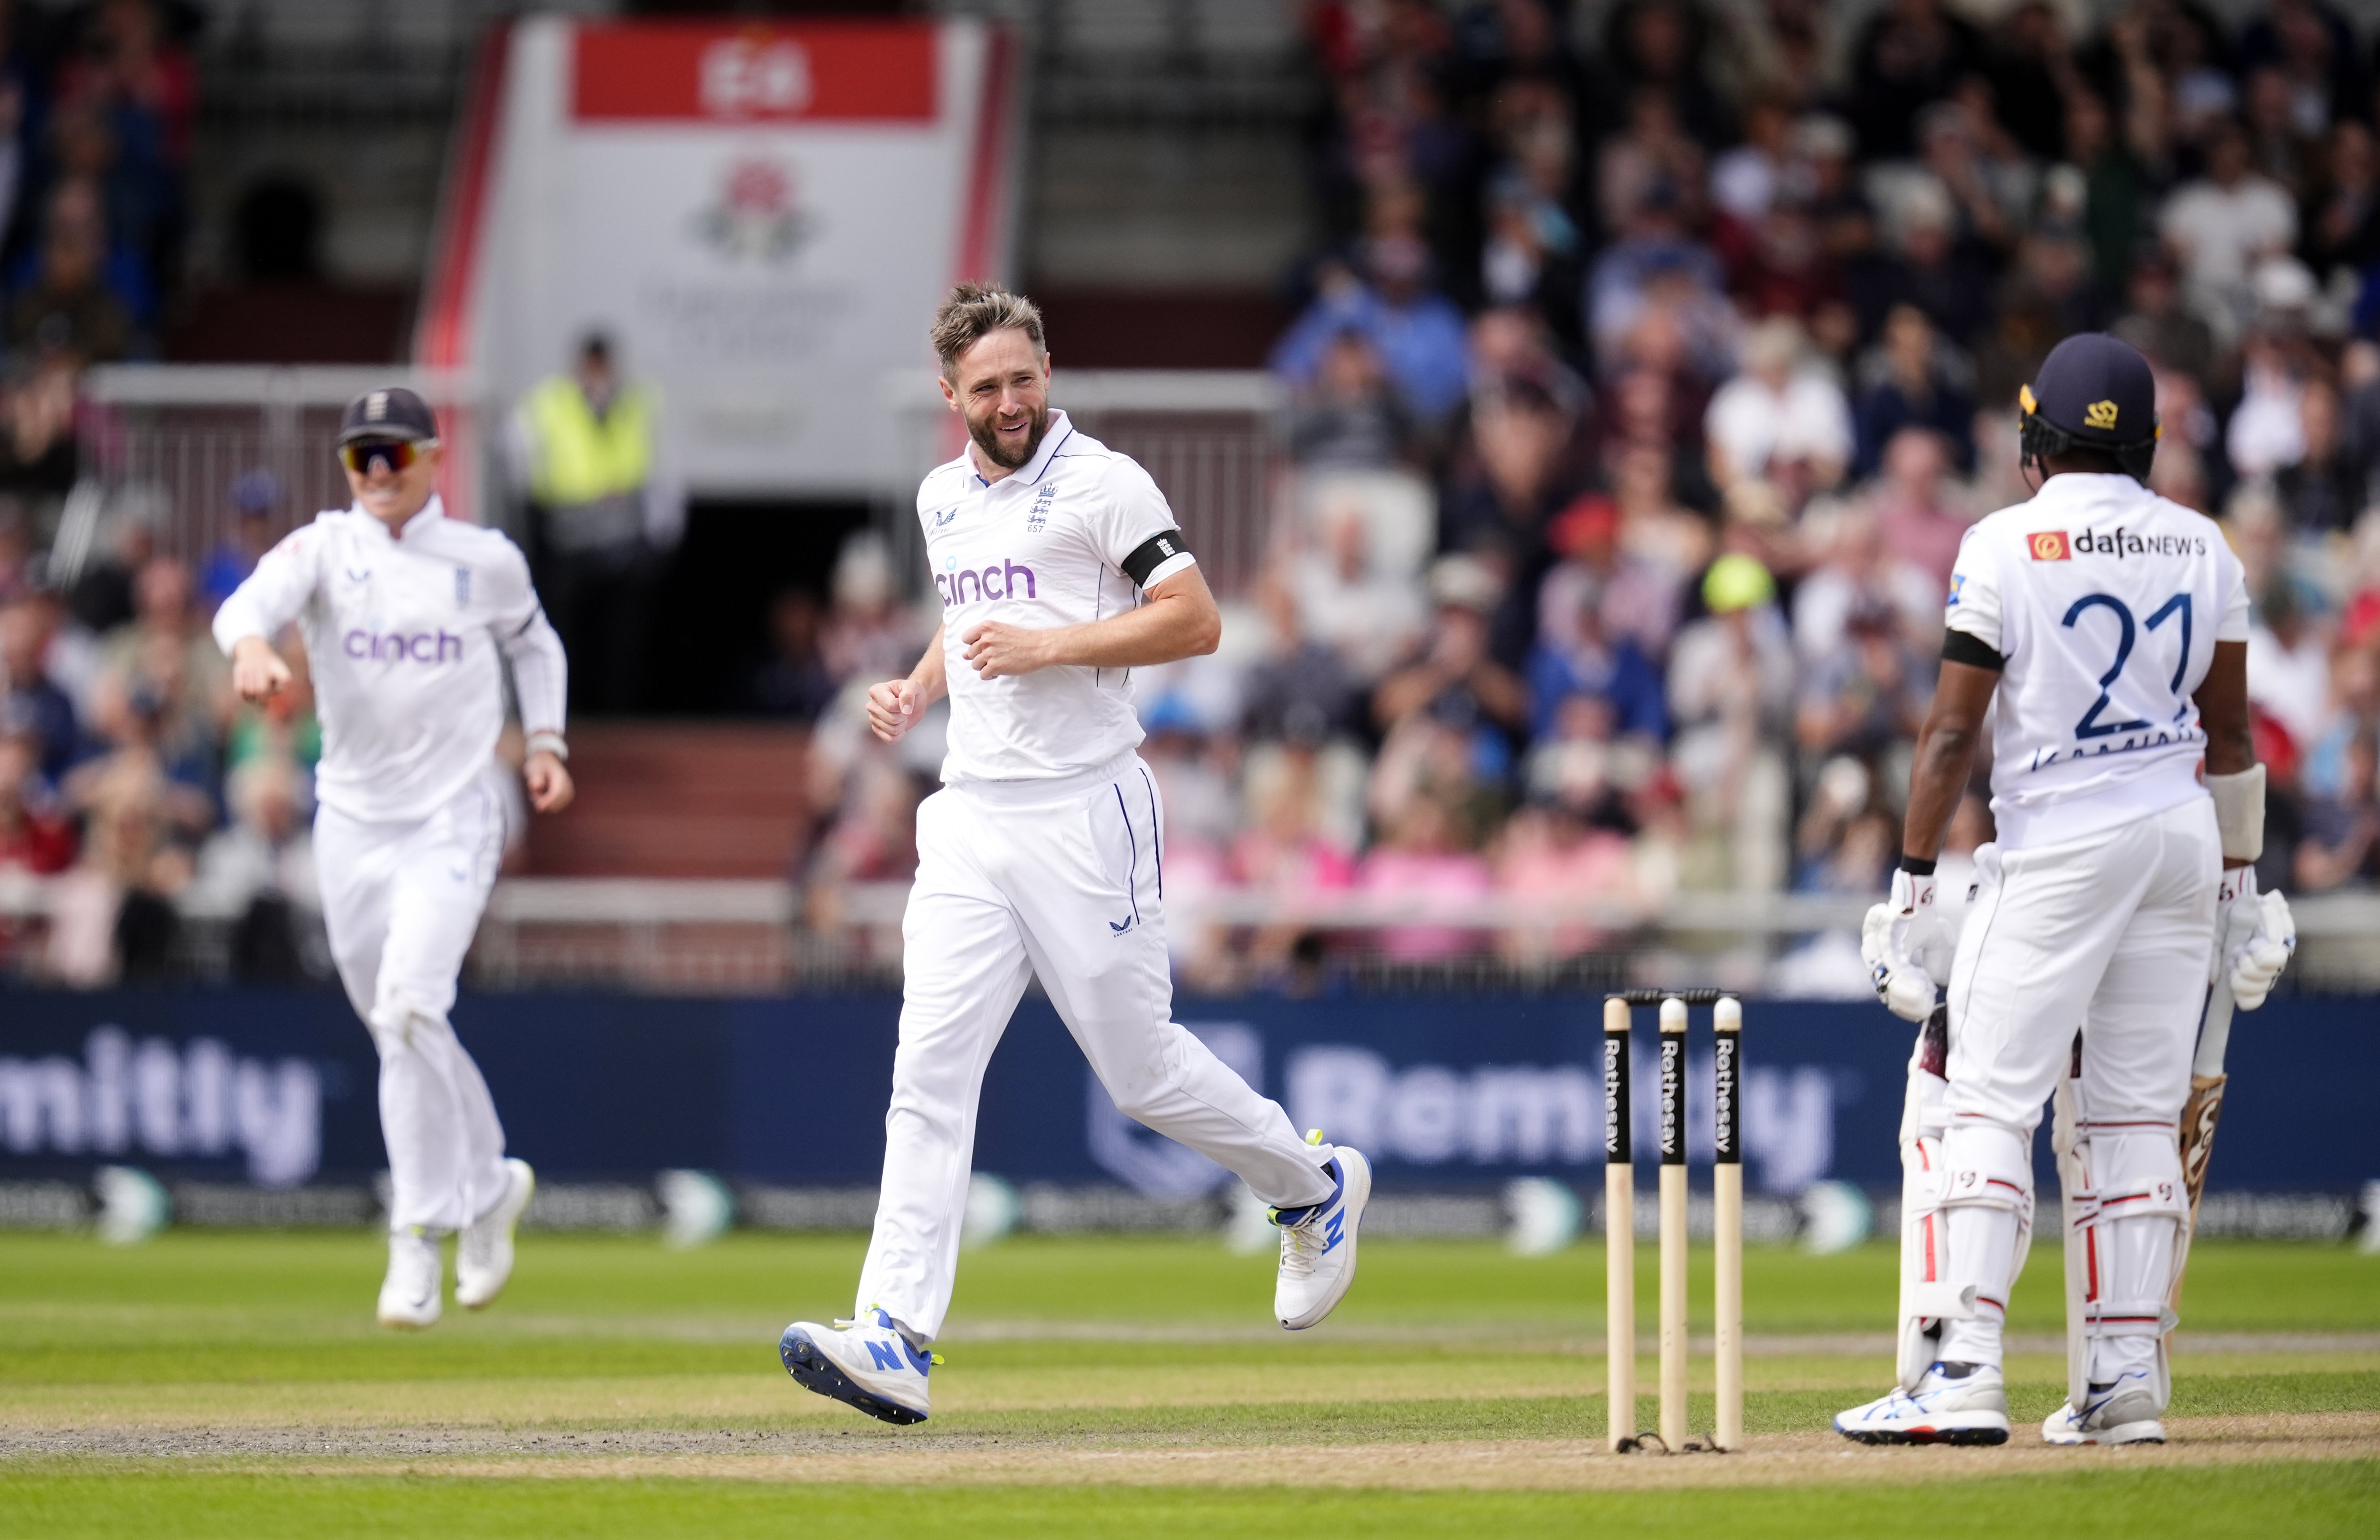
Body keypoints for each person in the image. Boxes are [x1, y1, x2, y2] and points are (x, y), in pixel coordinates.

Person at [778, 287, 1367, 1427]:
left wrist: (1051, 644)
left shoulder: (1105, 481)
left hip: (1087, 812)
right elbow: (968, 612)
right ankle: (894, 1333)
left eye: (1023, 377)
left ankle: (1313, 1183)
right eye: (986, 386)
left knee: (1139, 1072)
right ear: (950, 397)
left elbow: (1192, 618)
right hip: (968, 817)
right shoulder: (941, 494)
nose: (1009, 401)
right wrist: (918, 681)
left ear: (1048, 371)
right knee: (927, 1075)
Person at [1844, 335, 2297, 1449]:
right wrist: (2242, 884)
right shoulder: (2204, 543)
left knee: (1986, 1101)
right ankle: (2121, 1375)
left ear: (2033, 436)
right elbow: (2232, 735)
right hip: (2179, 839)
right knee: (2134, 1115)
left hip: (2056, 842)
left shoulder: (2003, 540)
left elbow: (1954, 725)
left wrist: (1908, 881)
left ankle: (1963, 1368)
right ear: (2143, 442)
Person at [213, 385, 574, 1331]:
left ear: (430, 458)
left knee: (413, 1002)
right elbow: (249, 603)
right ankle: (488, 1183)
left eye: (394, 454)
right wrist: (250, 647)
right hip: (352, 821)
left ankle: (417, 1230)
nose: (376, 472)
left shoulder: (482, 559)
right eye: (359, 456)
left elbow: (537, 645)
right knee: (397, 1026)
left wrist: (545, 743)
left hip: (454, 815)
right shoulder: (325, 547)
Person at [511, 333, 673, 714]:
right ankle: (571, 709)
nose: (598, 375)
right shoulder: (549, 403)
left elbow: (658, 465)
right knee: (566, 630)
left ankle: (618, 713)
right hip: (568, 535)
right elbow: (521, 458)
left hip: (622, 536)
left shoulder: (636, 402)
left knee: (621, 636)